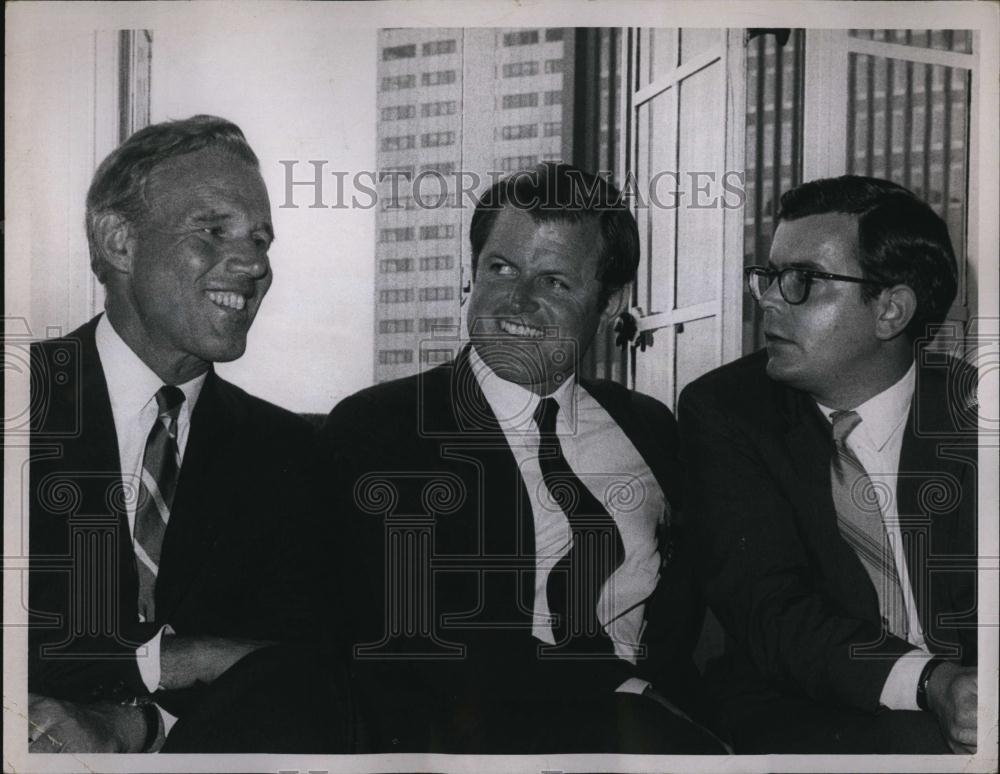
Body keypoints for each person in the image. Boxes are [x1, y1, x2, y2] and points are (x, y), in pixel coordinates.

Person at [319, 163, 725, 754]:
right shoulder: (382, 428)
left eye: (555, 282)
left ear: (611, 302)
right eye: (501, 268)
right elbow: (412, 646)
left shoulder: (651, 428)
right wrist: (626, 697)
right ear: (472, 273)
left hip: (662, 736)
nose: (519, 301)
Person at [27, 115, 346, 753]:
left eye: (262, 239)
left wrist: (140, 725)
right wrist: (178, 658)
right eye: (213, 229)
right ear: (120, 242)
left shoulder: (292, 456)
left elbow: (318, 673)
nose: (254, 263)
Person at [678, 175, 977, 753]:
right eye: (767, 275)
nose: (766, 298)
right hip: (810, 711)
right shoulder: (728, 411)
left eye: (803, 282)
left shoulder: (978, 411)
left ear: (890, 309)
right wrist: (930, 683)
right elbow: (771, 612)